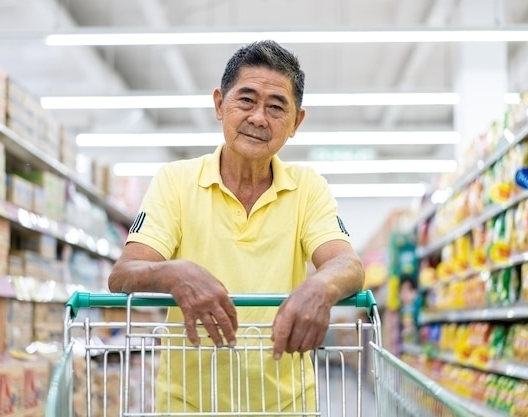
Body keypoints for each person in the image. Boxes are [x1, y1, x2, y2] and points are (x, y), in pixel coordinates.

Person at [108, 39, 364, 414]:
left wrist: (320, 288)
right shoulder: (175, 181)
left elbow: (348, 264)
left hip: (286, 406)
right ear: (219, 104)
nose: (259, 118)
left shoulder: (309, 188)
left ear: (296, 122)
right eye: (246, 100)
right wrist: (174, 273)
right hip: (189, 406)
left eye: (276, 107)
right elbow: (123, 274)